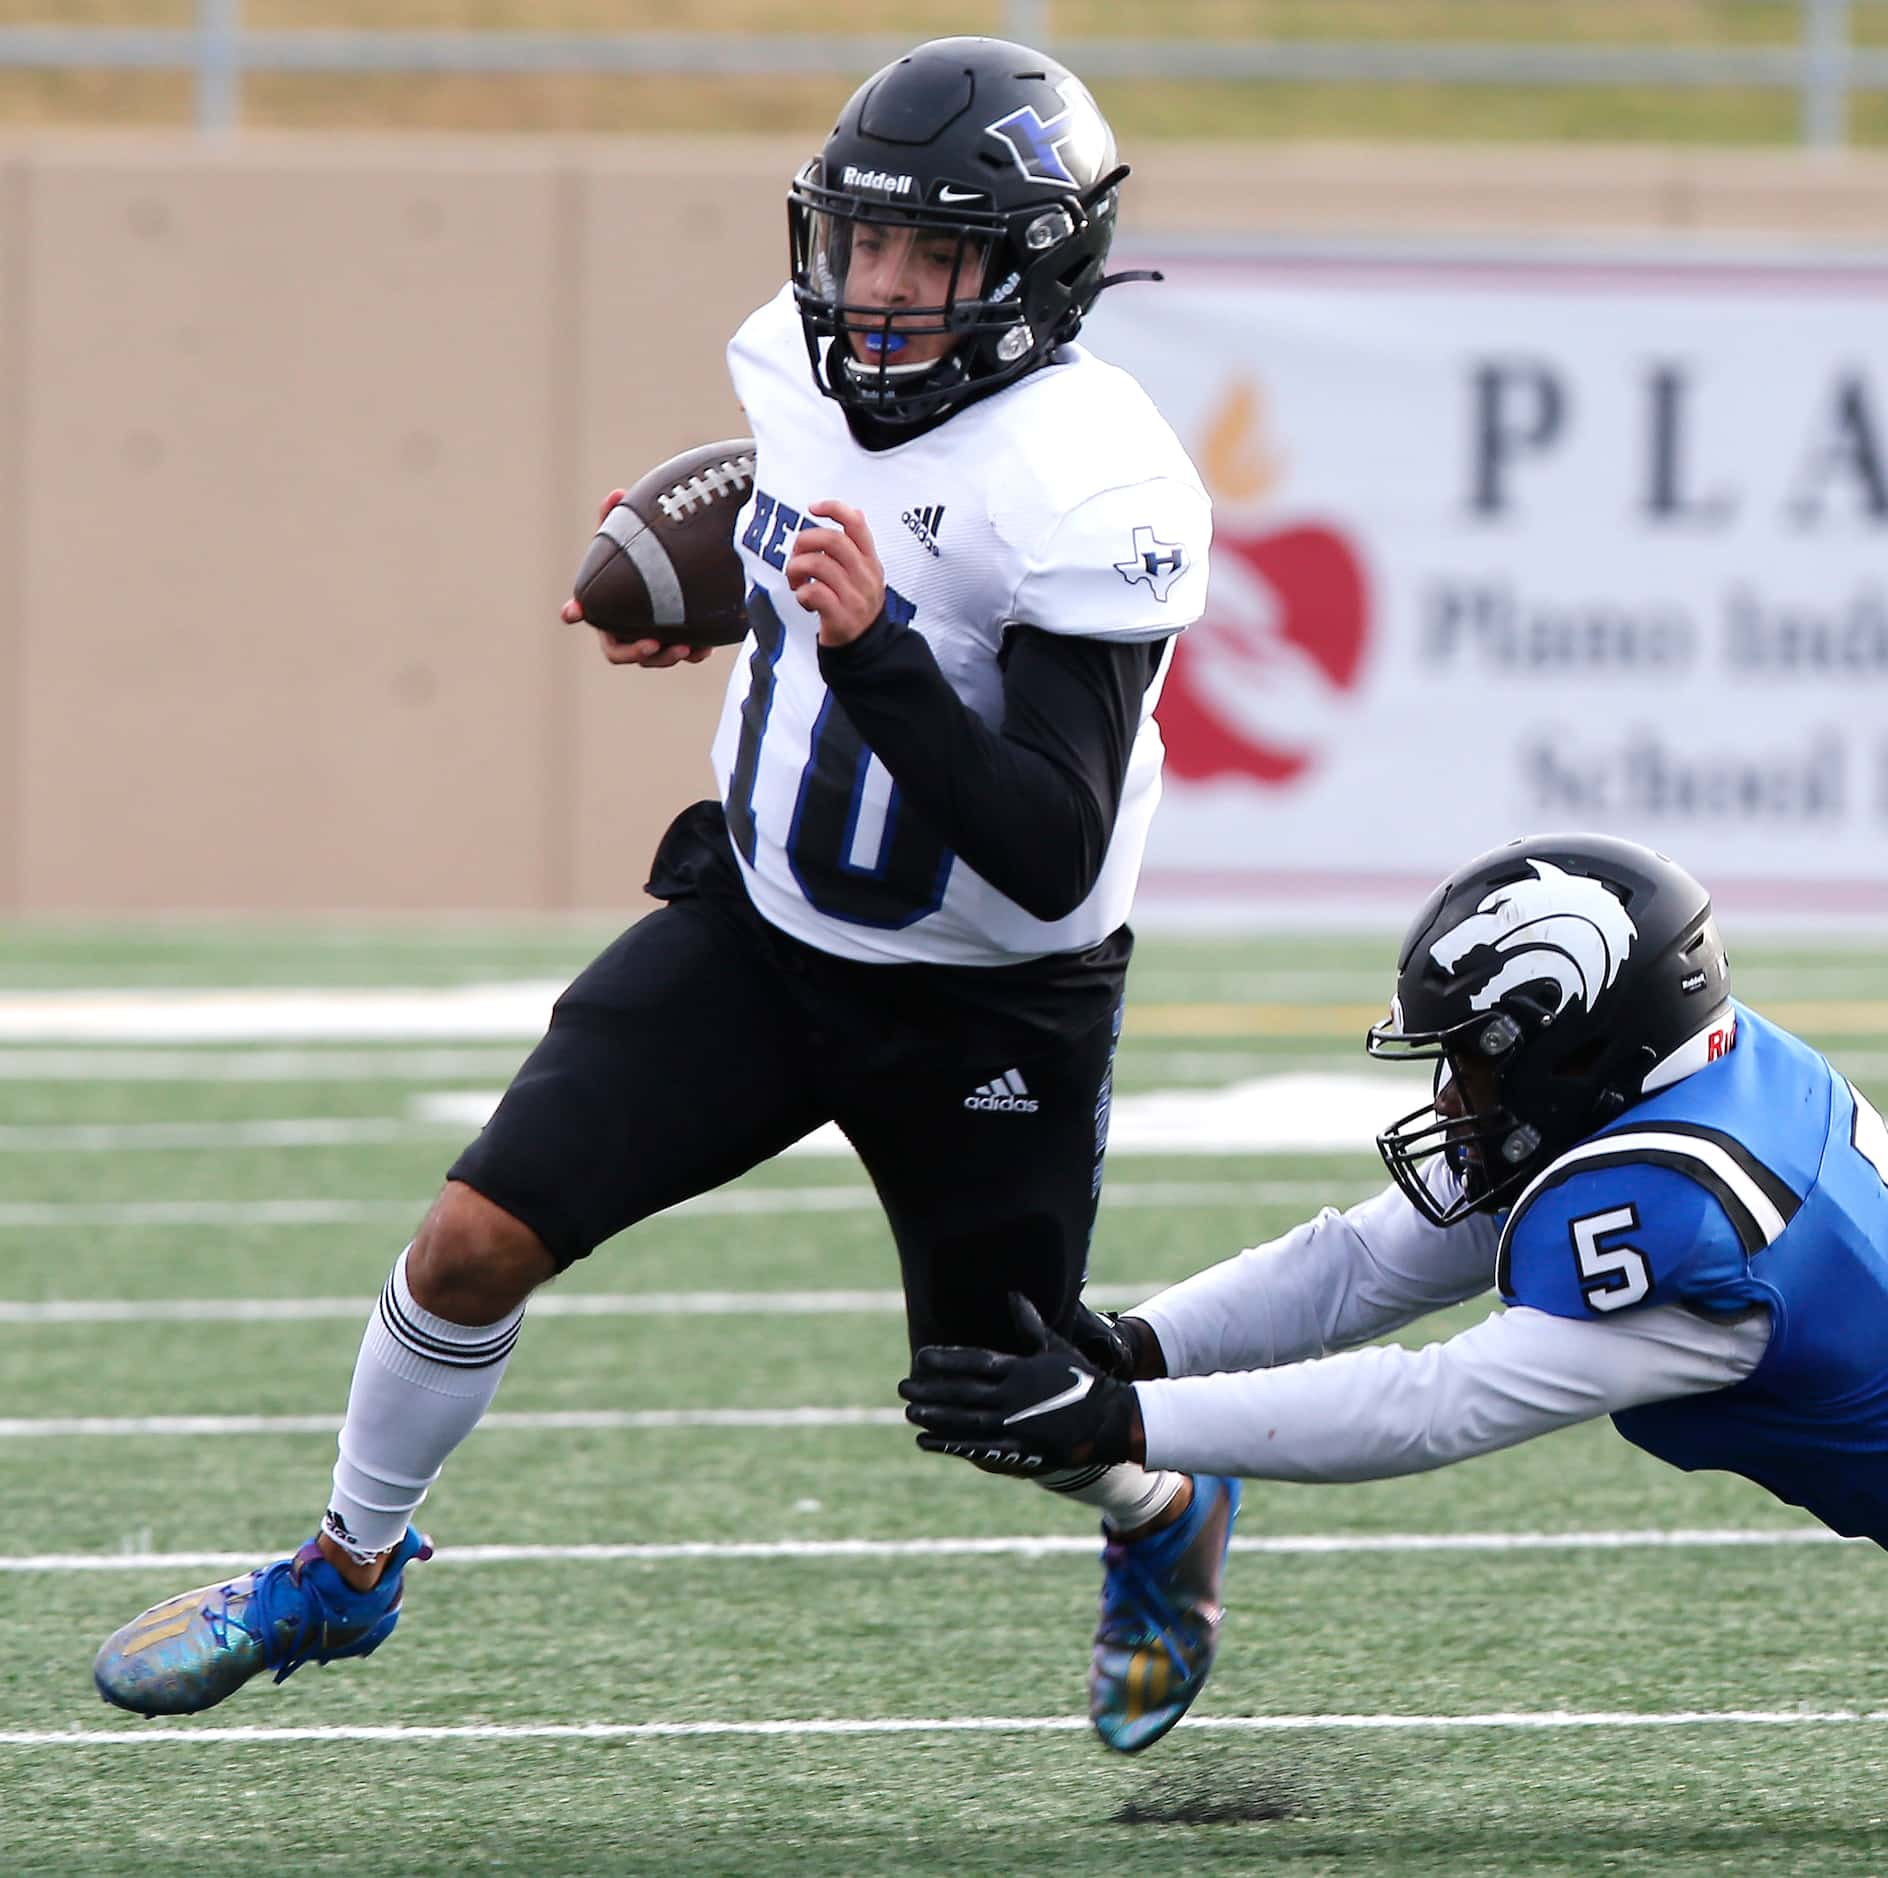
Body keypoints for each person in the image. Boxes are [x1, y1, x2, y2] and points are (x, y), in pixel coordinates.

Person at [93, 37, 1236, 1756]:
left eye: (934, 257)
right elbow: (829, 541)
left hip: (987, 996)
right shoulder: (788, 358)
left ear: (1033, 271)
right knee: (472, 1238)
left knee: (1009, 1401)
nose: (882, 289)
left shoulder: (1098, 476)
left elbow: (1048, 839)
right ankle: (346, 1562)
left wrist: (874, 652)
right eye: (863, 243)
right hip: (764, 935)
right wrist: (725, 609)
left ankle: (1159, 1511)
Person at [903, 832, 1888, 1660]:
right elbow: (1368, 1261)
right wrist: (1140, 1349)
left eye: (1470, 1059)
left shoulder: (1684, 1215)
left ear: (1577, 1044)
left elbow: (1434, 1405)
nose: (1451, 1096)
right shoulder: (1677, 1072)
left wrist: (1118, 1425)